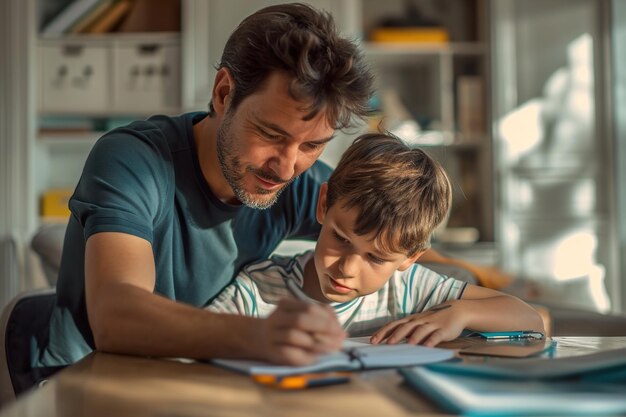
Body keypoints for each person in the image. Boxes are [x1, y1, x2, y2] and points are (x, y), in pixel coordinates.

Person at [35, 2, 517, 373]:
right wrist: (253, 335)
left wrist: (477, 294)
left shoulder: (300, 184)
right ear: (224, 93)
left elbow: (391, 245)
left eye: (313, 146)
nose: (287, 167)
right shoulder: (135, 160)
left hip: (197, 379)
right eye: (271, 134)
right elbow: (117, 316)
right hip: (82, 377)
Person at [207, 133, 545, 346]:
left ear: (410, 257)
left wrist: (458, 314)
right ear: (323, 205)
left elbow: (528, 318)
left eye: (376, 258)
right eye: (342, 238)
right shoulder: (258, 289)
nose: (347, 269)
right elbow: (199, 343)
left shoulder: (412, 288)